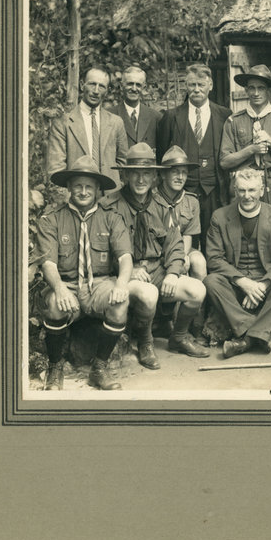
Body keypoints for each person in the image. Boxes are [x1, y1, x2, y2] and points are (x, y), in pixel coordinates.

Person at [100, 143, 209, 367]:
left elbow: (175, 245)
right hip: (120, 276)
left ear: (154, 176)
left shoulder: (160, 205)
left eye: (146, 174)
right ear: (126, 175)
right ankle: (145, 341)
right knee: (148, 295)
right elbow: (99, 250)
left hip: (156, 270)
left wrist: (172, 272)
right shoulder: (109, 206)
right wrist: (128, 271)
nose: (141, 180)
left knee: (197, 290)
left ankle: (178, 337)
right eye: (135, 174)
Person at [35, 155, 133, 390]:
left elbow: (125, 257)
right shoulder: (52, 219)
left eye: (89, 186)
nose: (83, 191)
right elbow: (47, 263)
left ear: (98, 189)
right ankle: (55, 367)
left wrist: (121, 284)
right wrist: (59, 289)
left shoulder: (111, 218)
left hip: (99, 284)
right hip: (67, 283)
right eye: (78, 185)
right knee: (56, 305)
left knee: (120, 304)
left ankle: (99, 368)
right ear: (68, 187)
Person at [204, 169, 271, 359]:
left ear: (262, 190)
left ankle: (245, 339)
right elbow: (214, 258)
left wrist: (263, 285)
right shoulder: (220, 216)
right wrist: (243, 282)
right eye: (241, 190)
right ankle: (258, 332)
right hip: (236, 285)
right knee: (211, 281)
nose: (246, 196)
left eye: (251, 190)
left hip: (265, 285)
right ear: (234, 190)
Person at [156, 63, 232, 236]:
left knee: (215, 238)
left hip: (214, 191)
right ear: (186, 86)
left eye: (201, 85)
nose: (196, 90)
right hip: (181, 192)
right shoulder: (171, 117)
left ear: (210, 85)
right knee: (183, 240)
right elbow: (162, 156)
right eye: (192, 85)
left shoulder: (224, 115)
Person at [150, 145, 211, 356]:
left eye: (184, 172)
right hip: (157, 252)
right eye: (175, 171)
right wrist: (171, 263)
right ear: (164, 174)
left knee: (198, 262)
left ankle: (195, 324)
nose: (180, 176)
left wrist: (183, 256)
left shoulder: (191, 201)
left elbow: (188, 236)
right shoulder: (151, 199)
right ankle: (161, 320)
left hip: (183, 248)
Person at [220, 65, 271, 211]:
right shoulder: (233, 121)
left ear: (268, 91)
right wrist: (251, 150)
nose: (255, 93)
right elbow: (224, 162)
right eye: (251, 88)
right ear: (246, 90)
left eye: (261, 88)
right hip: (244, 187)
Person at [48, 67, 128, 187]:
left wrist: (118, 193)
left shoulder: (116, 122)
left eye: (101, 86)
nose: (96, 91)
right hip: (78, 197)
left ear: (107, 91)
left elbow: (123, 165)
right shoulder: (63, 123)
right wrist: (69, 198)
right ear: (82, 85)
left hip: (111, 199)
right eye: (92, 84)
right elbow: (56, 170)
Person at [110, 65, 161, 151]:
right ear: (122, 86)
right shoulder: (110, 115)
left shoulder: (156, 117)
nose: (134, 89)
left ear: (144, 87)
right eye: (130, 84)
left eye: (138, 85)